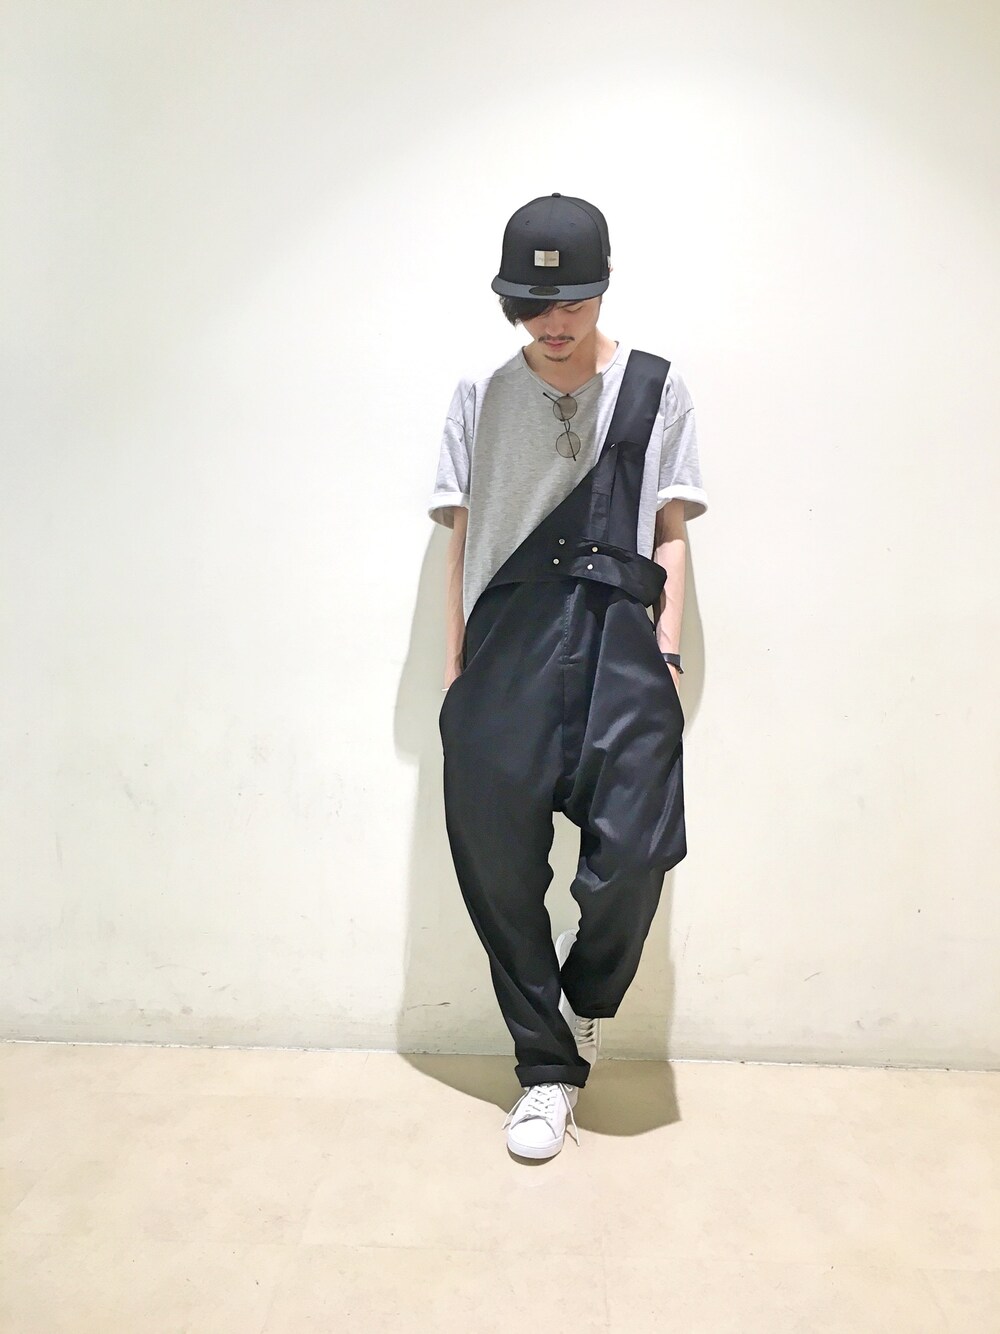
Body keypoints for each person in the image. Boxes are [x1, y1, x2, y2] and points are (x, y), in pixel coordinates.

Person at [428, 193, 708, 1160]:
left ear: (604, 287)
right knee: (498, 871)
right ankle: (546, 1070)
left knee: (636, 858)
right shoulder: (479, 392)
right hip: (503, 650)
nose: (553, 324)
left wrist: (666, 651)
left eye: (574, 303)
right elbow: (463, 537)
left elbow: (671, 530)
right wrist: (456, 669)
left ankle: (582, 1003)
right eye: (533, 306)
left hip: (620, 644)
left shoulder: (655, 387)